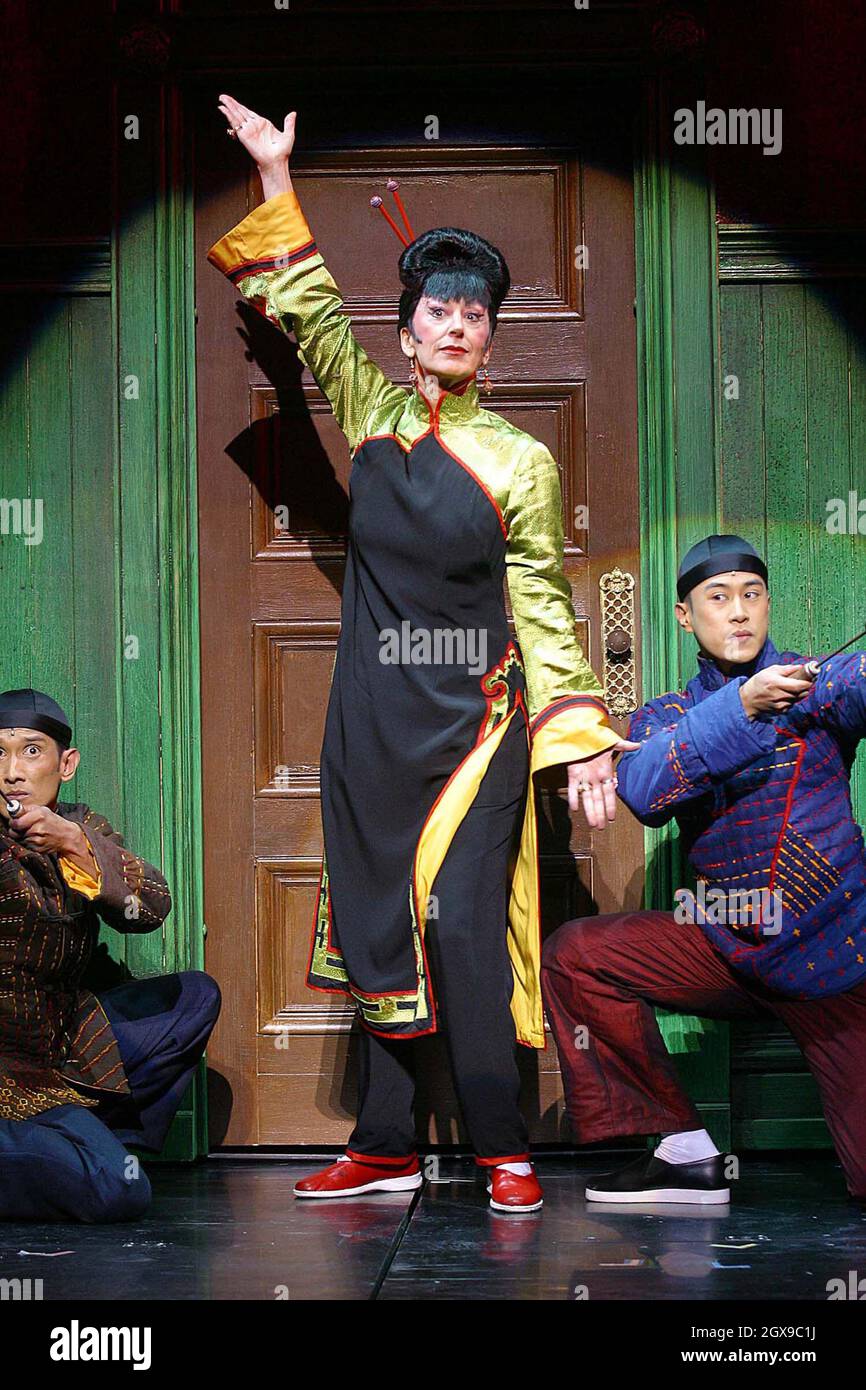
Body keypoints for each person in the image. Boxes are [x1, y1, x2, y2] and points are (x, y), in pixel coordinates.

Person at [207, 95, 636, 1212]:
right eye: (437, 309)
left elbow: (539, 600)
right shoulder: (370, 413)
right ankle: (388, 1144)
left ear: (491, 333)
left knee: (462, 927)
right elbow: (302, 312)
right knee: (374, 924)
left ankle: (502, 1144)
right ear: (404, 331)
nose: (454, 324)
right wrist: (273, 174)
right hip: (368, 718)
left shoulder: (518, 462)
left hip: (476, 724)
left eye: (474, 313)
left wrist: (577, 735)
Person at [542, 534, 866, 1204]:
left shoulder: (820, 685)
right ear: (687, 616)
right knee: (577, 955)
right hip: (725, 951)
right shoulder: (666, 715)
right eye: (718, 598)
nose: (739, 612)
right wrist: (743, 705)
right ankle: (683, 1154)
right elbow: (642, 788)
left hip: (831, 963)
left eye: (752, 595)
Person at [0, 688, 221, 1222]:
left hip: (60, 1049)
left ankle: (92, 1137)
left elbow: (150, 908)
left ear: (65, 764)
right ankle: (68, 1153)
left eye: (31, 751)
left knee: (194, 997)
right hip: (6, 1069)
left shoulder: (80, 825)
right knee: (119, 1193)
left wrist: (74, 846)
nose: (12, 772)